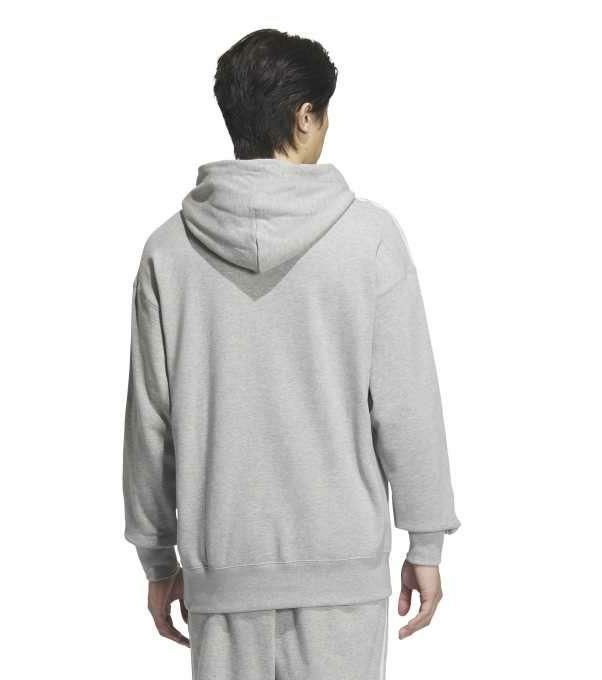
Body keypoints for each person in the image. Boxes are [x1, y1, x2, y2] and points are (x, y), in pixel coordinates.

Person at [122, 28, 460, 680]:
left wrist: (157, 558)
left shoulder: (168, 252)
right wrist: (425, 540)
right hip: (342, 578)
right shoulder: (370, 239)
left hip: (223, 574)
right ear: (305, 116)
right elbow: (406, 403)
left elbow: (150, 423)